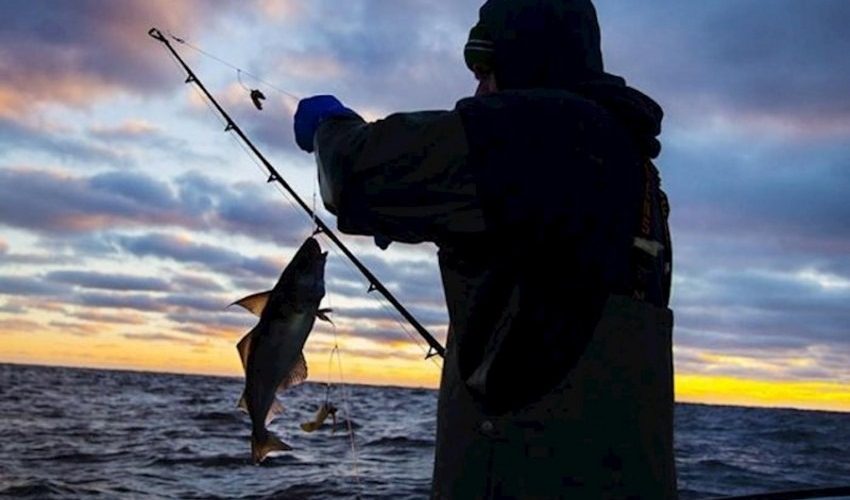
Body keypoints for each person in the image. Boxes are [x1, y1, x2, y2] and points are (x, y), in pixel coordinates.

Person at [293, 0, 675, 497]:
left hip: (522, 474)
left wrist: (330, 126)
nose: (479, 91)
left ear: (528, 58)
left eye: (486, 72)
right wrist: (427, 214)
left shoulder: (538, 128)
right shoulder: (627, 161)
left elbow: (354, 174)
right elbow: (547, 266)